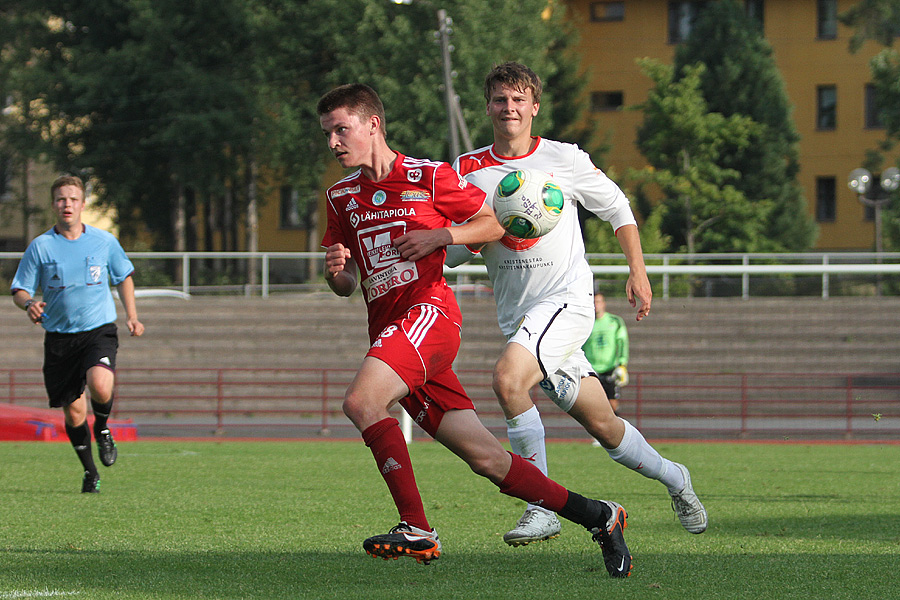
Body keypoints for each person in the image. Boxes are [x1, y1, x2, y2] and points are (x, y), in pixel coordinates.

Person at [318, 83, 635, 577]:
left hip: (428, 317)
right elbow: (345, 283)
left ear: (372, 124)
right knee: (488, 459)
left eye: (342, 130)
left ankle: (417, 528)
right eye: (328, 134)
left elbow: (493, 225)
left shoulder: (427, 176)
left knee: (360, 402)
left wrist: (441, 235)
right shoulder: (340, 198)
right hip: (391, 333)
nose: (334, 142)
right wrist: (335, 270)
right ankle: (601, 516)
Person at [448, 62, 707, 546]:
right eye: (501, 100)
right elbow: (459, 246)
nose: (510, 108)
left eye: (519, 100)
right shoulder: (465, 170)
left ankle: (540, 506)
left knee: (507, 380)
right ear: (488, 107)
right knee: (604, 425)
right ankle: (677, 478)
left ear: (535, 108)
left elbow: (617, 208)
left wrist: (639, 271)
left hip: (567, 303)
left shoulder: (564, 158)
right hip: (522, 320)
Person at [10, 175, 145, 493]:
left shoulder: (103, 241)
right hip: (59, 337)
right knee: (73, 411)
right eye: (60, 199)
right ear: (53, 205)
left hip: (98, 329)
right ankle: (89, 472)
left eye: (72, 199)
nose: (66, 204)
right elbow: (19, 289)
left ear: (83, 204)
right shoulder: (41, 246)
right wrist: (29, 303)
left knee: (100, 384)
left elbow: (123, 276)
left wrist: (133, 316)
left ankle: (103, 428)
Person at [583, 293, 629, 414]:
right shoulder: (586, 323)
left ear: (604, 304)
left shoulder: (615, 321)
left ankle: (617, 430)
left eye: (598, 302)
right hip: (591, 370)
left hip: (610, 369)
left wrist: (622, 365)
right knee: (594, 409)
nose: (596, 305)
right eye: (593, 302)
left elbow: (622, 343)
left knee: (612, 405)